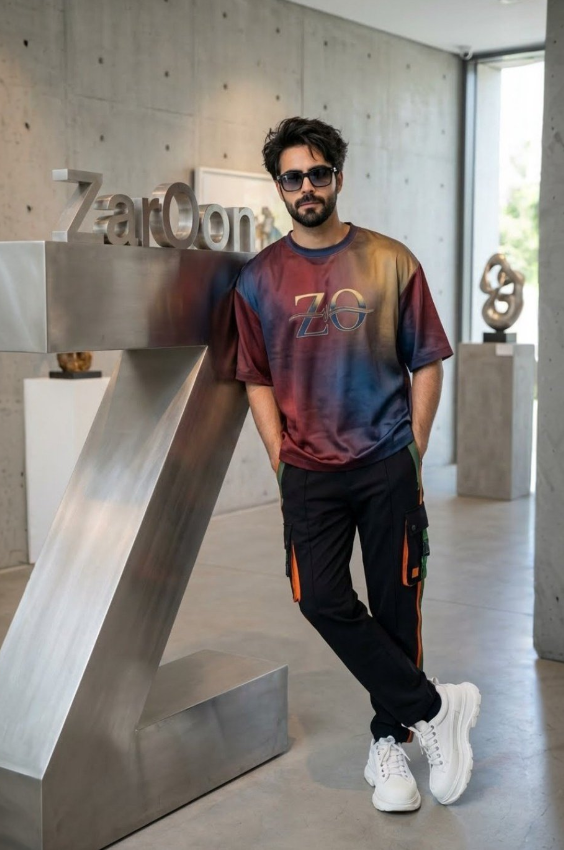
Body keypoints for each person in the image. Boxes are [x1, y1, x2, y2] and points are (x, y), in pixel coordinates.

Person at [233, 116, 481, 812]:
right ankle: (436, 708)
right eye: (292, 177)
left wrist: (416, 445)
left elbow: (427, 359)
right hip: (308, 470)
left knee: (396, 603)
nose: (306, 187)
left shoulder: (389, 260)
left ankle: (388, 743)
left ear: (336, 177)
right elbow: (254, 377)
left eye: (317, 173)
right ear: (278, 186)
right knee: (318, 597)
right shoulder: (258, 279)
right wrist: (279, 457)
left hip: (383, 461)